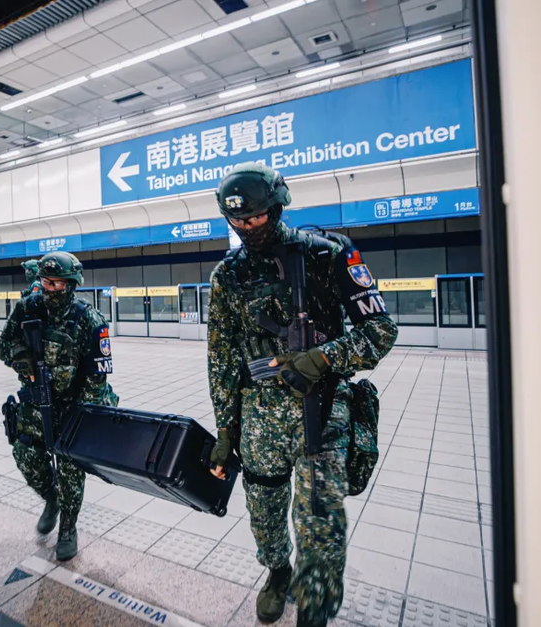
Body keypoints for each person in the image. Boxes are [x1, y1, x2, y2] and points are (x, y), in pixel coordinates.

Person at [206, 163, 398, 627]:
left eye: (256, 217)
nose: (248, 227)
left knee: (320, 524)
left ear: (277, 208)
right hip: (259, 418)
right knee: (264, 514)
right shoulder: (227, 275)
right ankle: (277, 572)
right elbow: (221, 359)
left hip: (322, 410)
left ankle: (315, 609)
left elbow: (380, 331)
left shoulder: (328, 254)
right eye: (237, 220)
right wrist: (225, 431)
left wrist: (322, 358)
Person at [0, 251, 118, 561]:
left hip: (72, 407)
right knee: (25, 456)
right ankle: (50, 499)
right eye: (45, 282)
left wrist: (80, 418)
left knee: (70, 470)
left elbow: (97, 379)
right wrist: (20, 358)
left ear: (71, 284)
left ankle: (68, 527)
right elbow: (4, 343)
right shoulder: (28, 308)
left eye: (57, 284)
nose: (49, 290)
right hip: (35, 404)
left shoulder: (88, 319)